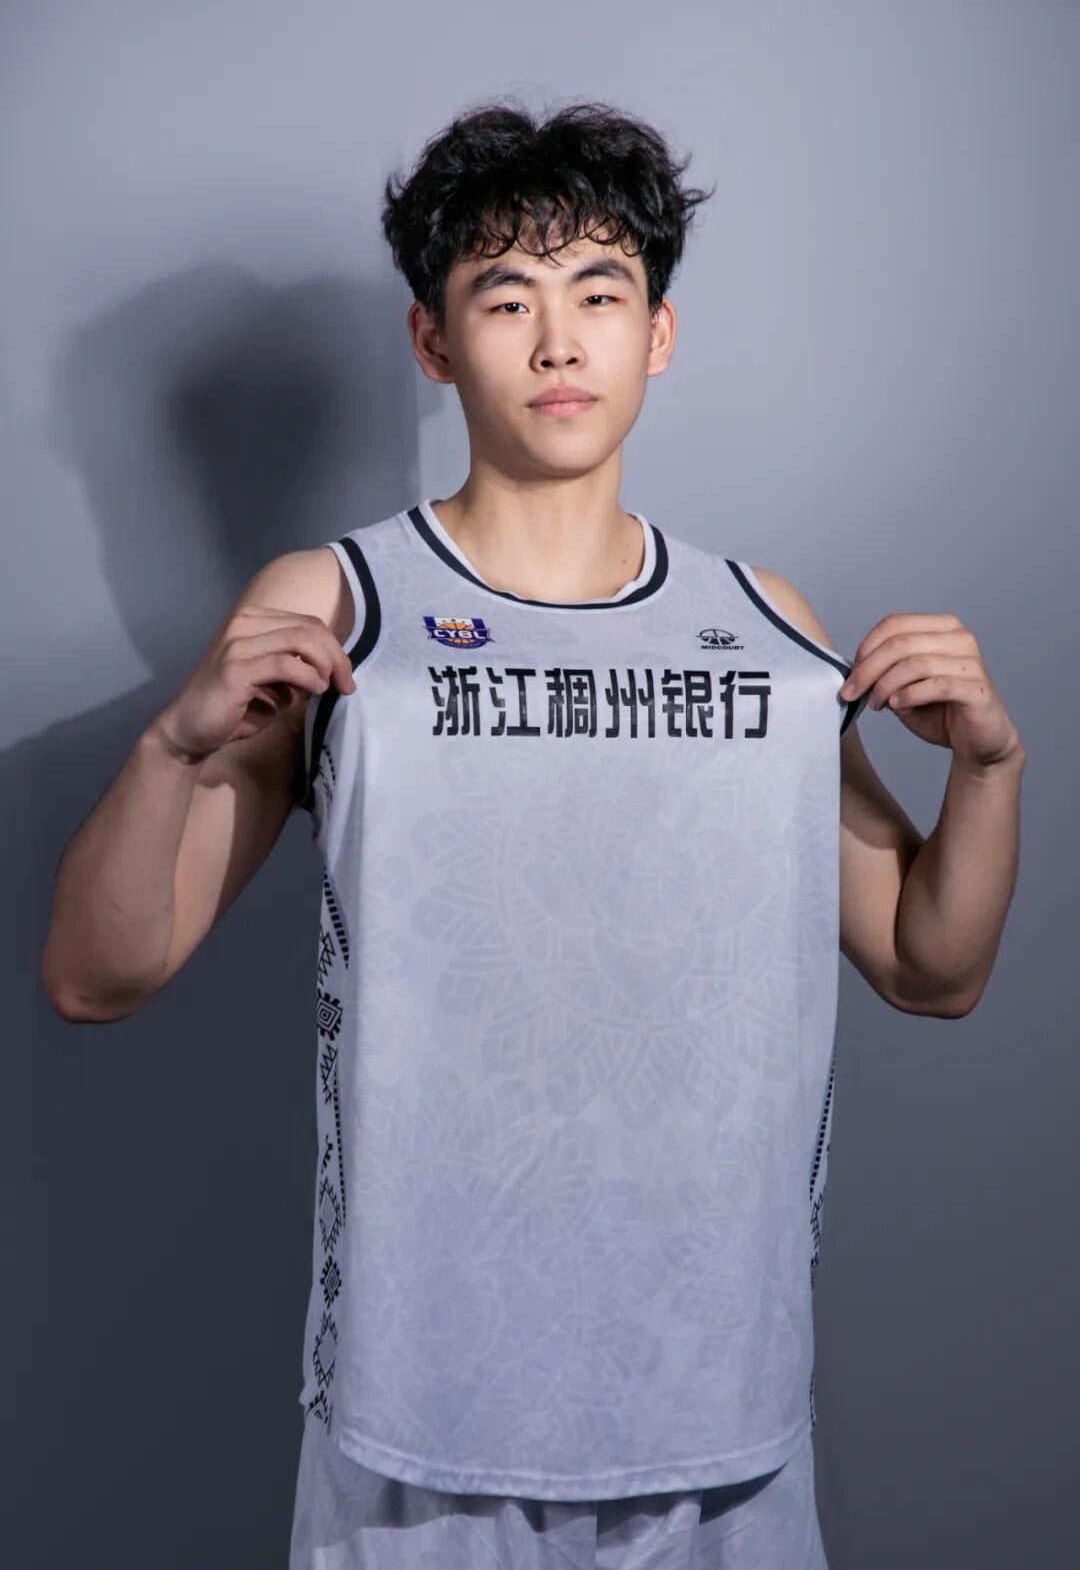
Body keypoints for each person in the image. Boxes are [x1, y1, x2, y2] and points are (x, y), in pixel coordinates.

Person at [41, 98, 1026, 1569]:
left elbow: (929, 967)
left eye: (600, 294)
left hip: (720, 1406)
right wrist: (169, 748)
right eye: (507, 298)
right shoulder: (337, 609)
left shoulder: (762, 626)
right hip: (417, 1420)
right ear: (433, 342)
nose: (559, 343)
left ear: (659, 334)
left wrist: (992, 768)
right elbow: (95, 972)